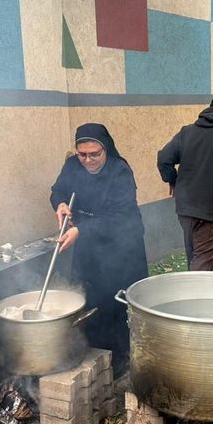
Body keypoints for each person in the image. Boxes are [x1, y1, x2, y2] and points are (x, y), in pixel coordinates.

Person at [50, 123, 148, 375]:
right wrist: (60, 204)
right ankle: (91, 351)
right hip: (87, 241)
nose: (88, 160)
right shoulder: (73, 165)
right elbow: (58, 189)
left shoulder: (120, 171)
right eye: (83, 154)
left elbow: (119, 216)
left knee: (115, 300)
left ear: (106, 150)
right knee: (86, 295)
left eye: (95, 154)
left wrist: (80, 230)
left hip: (121, 244)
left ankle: (120, 359)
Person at [157, 90, 213, 271]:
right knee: (200, 270)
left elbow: (164, 158)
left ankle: (193, 293)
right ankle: (190, 297)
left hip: (185, 211)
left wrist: (173, 181)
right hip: (210, 213)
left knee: (195, 259)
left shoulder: (188, 131)